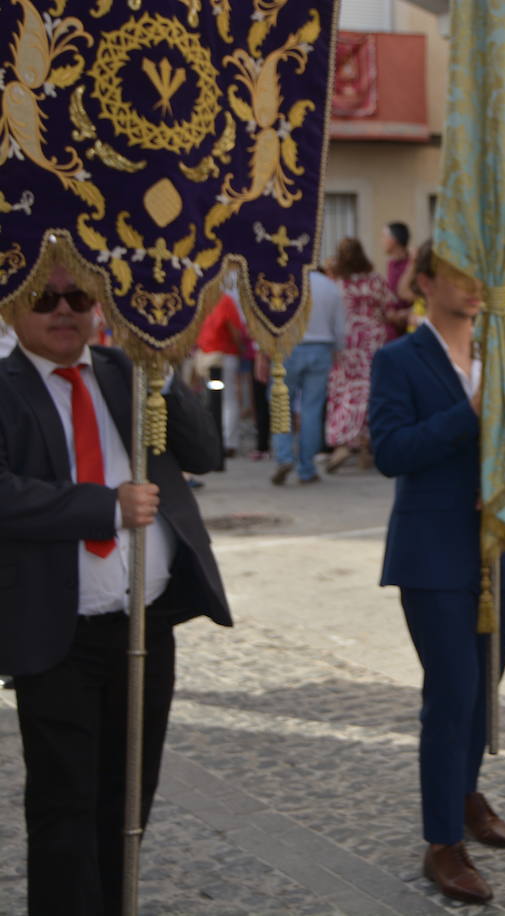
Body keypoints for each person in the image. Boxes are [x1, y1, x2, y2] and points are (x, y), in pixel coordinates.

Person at [0, 265, 233, 915]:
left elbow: (204, 450)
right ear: (11, 307)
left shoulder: (123, 373)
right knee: (63, 810)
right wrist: (102, 508)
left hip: (143, 628)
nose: (64, 311)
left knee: (128, 801)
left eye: (79, 297)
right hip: (58, 635)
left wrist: (158, 364)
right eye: (44, 299)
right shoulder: (5, 385)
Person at [368, 241, 505, 905]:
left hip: (497, 551)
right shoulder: (397, 360)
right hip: (431, 555)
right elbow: (389, 451)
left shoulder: (502, 352)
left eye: (482, 276)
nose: (475, 287)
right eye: (458, 275)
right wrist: (465, 417)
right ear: (424, 283)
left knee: (484, 689)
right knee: (451, 691)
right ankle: (442, 841)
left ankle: (466, 793)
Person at [324, 237, 397, 472]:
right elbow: (389, 306)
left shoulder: (338, 283)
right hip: (373, 339)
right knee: (369, 389)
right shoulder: (375, 281)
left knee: (345, 390)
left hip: (347, 340)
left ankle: (345, 442)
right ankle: (365, 444)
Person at [271, 267, 346, 485]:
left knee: (281, 404)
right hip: (321, 348)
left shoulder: (286, 282)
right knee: (312, 409)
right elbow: (340, 327)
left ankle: (284, 456)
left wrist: (262, 350)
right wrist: (338, 349)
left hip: (287, 347)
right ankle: (306, 467)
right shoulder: (330, 287)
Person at [194, 279, 249, 458]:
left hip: (206, 355)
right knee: (228, 400)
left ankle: (218, 440)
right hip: (223, 355)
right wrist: (240, 350)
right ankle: (227, 441)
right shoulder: (224, 301)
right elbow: (235, 330)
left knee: (213, 400)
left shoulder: (200, 301)